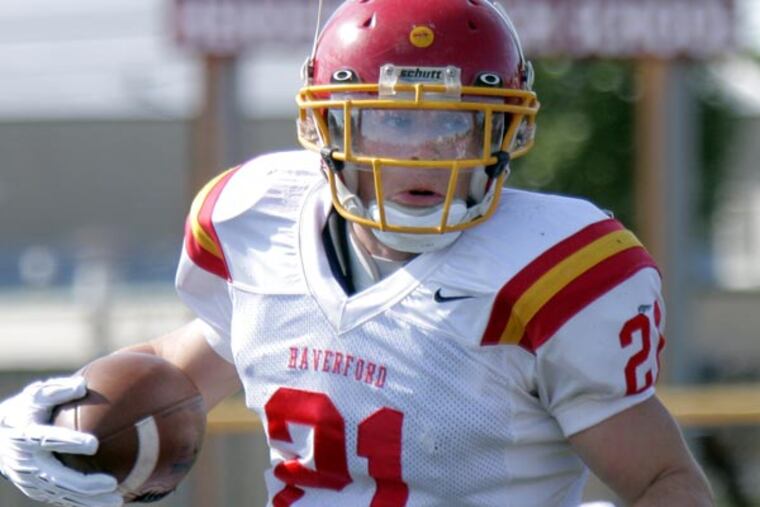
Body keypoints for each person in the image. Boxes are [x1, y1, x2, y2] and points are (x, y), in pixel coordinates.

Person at [0, 0, 713, 505]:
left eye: (458, 126)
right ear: (328, 128)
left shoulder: (555, 274)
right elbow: (187, 364)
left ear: (504, 135)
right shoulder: (257, 220)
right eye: (392, 121)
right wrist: (66, 414)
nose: (425, 152)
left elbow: (665, 481)